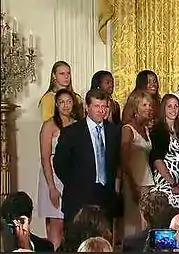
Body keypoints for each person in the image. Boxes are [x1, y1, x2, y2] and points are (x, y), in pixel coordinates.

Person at [53, 89, 121, 226]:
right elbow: (59, 164)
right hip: (78, 198)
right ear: (87, 106)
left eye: (104, 107)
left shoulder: (114, 131)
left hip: (105, 198)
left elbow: (116, 162)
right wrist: (76, 185)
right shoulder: (71, 133)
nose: (100, 110)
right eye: (96, 106)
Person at [37, 89, 78, 249]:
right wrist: (52, 187)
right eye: (61, 102)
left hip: (70, 177)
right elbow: (45, 158)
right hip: (52, 176)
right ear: (56, 104)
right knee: (56, 223)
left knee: (69, 224)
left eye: (68, 101)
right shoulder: (49, 125)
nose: (65, 105)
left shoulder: (76, 124)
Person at [120, 90, 155, 237]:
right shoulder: (128, 130)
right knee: (133, 225)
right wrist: (132, 185)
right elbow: (124, 159)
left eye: (150, 105)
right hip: (133, 182)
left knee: (145, 224)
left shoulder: (146, 129)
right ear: (135, 107)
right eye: (144, 105)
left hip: (147, 181)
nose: (149, 108)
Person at [150, 94, 179, 208]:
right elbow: (157, 159)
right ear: (163, 109)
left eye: (176, 106)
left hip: (178, 183)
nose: (173, 110)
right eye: (169, 106)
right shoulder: (159, 131)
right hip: (165, 182)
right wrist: (171, 182)